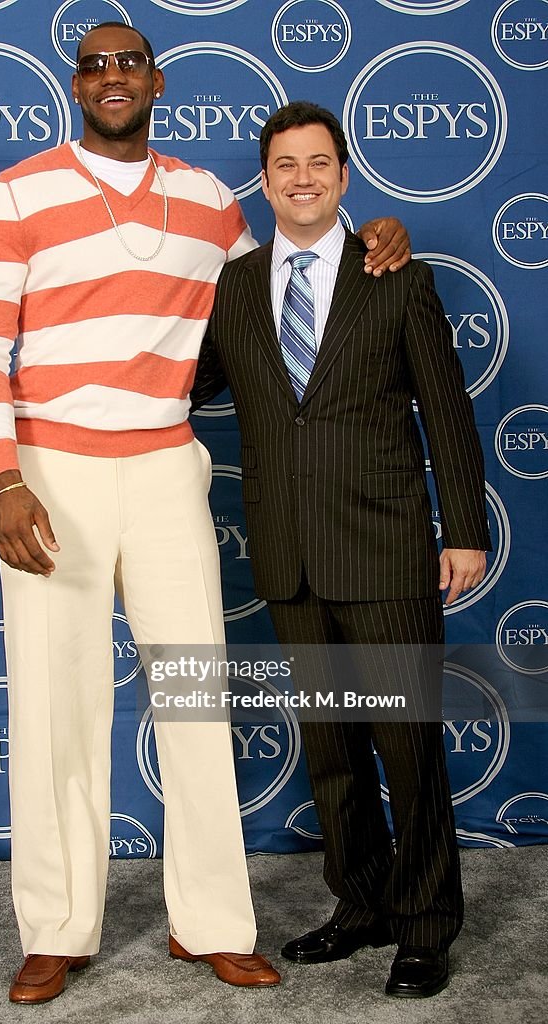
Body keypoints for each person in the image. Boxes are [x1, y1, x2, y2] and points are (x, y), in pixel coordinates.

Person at [0, 21, 410, 1004]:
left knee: (195, 699)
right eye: (94, 65)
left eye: (128, 63)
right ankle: (57, 927)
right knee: (54, 704)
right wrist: (2, 477)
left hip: (165, 466)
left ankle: (209, 921)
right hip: (47, 471)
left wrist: (369, 237)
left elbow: (285, 286)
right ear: (74, 84)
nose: (112, 77)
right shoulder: (17, 192)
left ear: (157, 80)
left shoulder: (206, 198)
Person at [190, 101, 491, 999]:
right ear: (266, 179)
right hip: (290, 558)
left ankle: (426, 927)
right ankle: (359, 905)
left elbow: (446, 411)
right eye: (285, 165)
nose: (303, 179)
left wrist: (465, 529)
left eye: (319, 163)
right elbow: (180, 378)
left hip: (386, 549)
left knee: (408, 748)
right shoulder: (236, 290)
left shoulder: (396, 275)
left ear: (345, 175)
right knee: (331, 751)